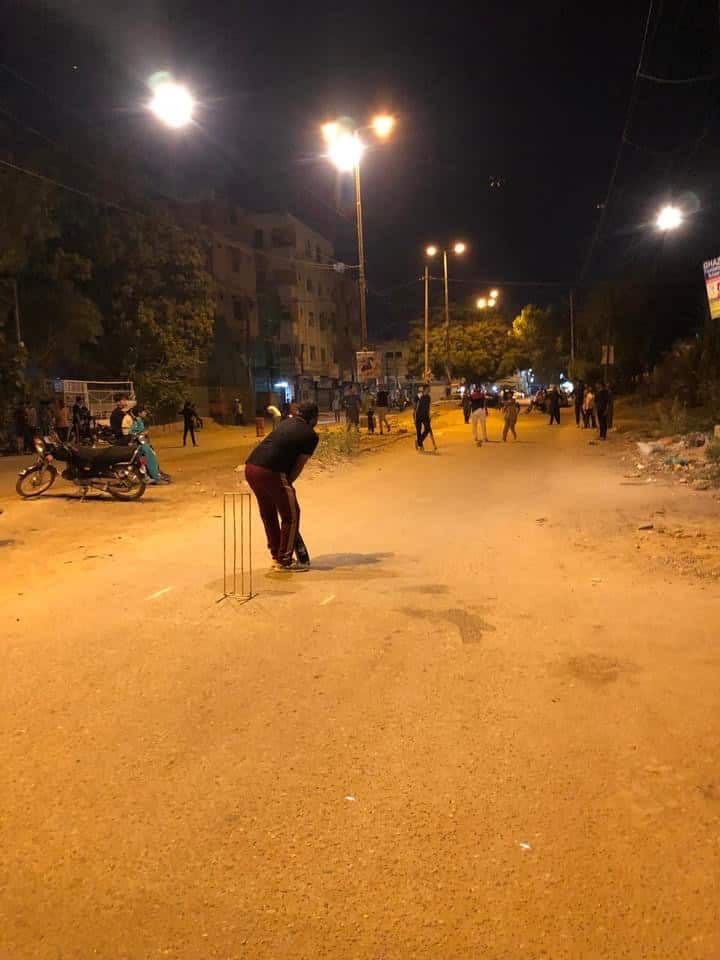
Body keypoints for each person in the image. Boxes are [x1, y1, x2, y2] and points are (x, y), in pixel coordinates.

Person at [245, 401, 320, 572]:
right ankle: (284, 561)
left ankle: (276, 555)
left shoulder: (287, 422)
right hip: (271, 471)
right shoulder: (311, 435)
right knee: (291, 516)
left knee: (268, 513)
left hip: (251, 468)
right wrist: (287, 483)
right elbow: (299, 465)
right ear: (313, 418)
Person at [129, 406, 170, 483]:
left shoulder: (139, 420)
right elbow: (131, 433)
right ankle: (156, 478)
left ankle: (150, 476)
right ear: (139, 413)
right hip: (141, 445)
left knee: (144, 461)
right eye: (144, 411)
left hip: (142, 444)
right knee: (150, 458)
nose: (145, 413)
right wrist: (142, 434)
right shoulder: (137, 421)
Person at [414, 384, 434, 452]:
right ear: (425, 389)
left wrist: (429, 416)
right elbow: (415, 404)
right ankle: (420, 445)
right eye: (429, 388)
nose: (430, 389)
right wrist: (414, 413)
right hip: (418, 415)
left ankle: (419, 441)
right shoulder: (419, 395)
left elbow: (428, 407)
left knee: (427, 429)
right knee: (418, 431)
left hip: (425, 416)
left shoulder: (428, 397)